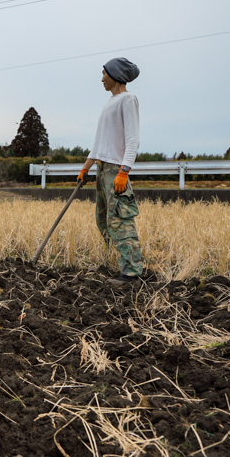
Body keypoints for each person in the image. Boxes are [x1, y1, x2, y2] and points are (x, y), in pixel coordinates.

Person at [77, 57, 144, 286]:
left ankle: (132, 274)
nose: (102, 78)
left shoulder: (128, 99)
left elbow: (133, 140)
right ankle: (115, 262)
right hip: (102, 169)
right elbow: (99, 143)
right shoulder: (109, 103)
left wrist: (124, 172)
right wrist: (86, 167)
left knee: (121, 222)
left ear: (116, 75)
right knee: (103, 220)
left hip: (116, 169)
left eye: (104, 73)